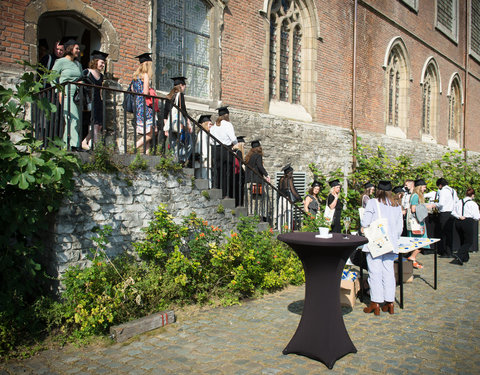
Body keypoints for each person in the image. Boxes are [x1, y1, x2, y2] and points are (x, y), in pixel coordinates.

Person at [361, 181, 403, 315]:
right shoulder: (396, 204)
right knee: (389, 272)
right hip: (391, 242)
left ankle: (376, 302)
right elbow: (399, 227)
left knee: (375, 272)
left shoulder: (373, 202)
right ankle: (390, 302)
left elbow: (365, 222)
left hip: (376, 242)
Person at [52, 39, 83, 151]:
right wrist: (59, 92)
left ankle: (66, 145)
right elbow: (52, 78)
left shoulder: (78, 64)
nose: (78, 51)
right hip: (66, 92)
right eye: (77, 48)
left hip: (78, 94)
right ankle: (75, 145)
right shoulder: (60, 62)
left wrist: (81, 83)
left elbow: (80, 78)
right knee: (72, 118)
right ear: (70, 49)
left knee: (77, 120)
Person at [407, 178, 437, 269]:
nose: (425, 189)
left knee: (418, 242)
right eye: (424, 187)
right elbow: (413, 209)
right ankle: (412, 257)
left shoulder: (415, 195)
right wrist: (427, 206)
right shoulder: (415, 196)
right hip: (417, 222)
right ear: (420, 187)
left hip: (417, 222)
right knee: (422, 242)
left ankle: (413, 259)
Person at [81, 50, 108, 150]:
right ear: (95, 61)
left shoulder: (101, 76)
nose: (103, 65)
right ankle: (97, 148)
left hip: (97, 101)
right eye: (101, 62)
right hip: (89, 100)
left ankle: (85, 141)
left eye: (104, 63)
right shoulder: (87, 72)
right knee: (94, 124)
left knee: (99, 125)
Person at [209, 106, 237, 198]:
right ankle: (225, 193)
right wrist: (235, 144)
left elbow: (210, 140)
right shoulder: (227, 124)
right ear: (226, 115)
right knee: (226, 172)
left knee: (218, 171)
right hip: (226, 149)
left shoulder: (214, 126)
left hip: (216, 149)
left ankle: (217, 189)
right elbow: (233, 138)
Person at [163, 76, 192, 162]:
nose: (184, 88)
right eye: (184, 86)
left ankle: (171, 160)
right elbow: (183, 110)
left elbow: (165, 113)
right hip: (178, 124)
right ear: (181, 85)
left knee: (172, 144)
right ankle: (179, 161)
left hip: (170, 124)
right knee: (184, 143)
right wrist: (188, 122)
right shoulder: (180, 95)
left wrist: (166, 128)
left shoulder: (169, 96)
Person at [132, 53, 156, 153]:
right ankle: (134, 146)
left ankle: (146, 155)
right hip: (146, 106)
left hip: (138, 105)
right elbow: (145, 92)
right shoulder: (145, 76)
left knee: (146, 132)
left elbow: (133, 90)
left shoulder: (135, 77)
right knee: (152, 132)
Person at [452, 188, 480, 265]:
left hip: (458, 221)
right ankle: (459, 254)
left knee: (462, 239)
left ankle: (464, 257)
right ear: (473, 195)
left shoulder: (458, 202)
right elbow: (476, 216)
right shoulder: (473, 204)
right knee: (469, 241)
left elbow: (453, 212)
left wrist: (459, 216)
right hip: (467, 221)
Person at [245, 140, 269, 214]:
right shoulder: (258, 156)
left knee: (250, 201)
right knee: (257, 201)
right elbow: (260, 166)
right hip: (256, 181)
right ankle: (256, 217)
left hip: (248, 181)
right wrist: (266, 175)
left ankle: (249, 215)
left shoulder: (249, 157)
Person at [436, 178, 458, 258]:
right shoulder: (452, 190)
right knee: (449, 233)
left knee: (444, 233)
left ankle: (445, 252)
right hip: (451, 213)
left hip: (444, 213)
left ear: (440, 185)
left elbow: (441, 203)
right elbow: (456, 201)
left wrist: (434, 205)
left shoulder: (442, 191)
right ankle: (450, 251)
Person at [278, 164, 301, 229]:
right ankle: (287, 231)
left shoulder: (281, 179)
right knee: (288, 216)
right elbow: (292, 190)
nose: (292, 174)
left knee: (281, 215)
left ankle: (280, 230)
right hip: (287, 200)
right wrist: (299, 198)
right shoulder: (289, 179)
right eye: (291, 172)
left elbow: (279, 190)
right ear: (289, 172)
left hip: (281, 199)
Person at [194, 114, 213, 181]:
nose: (211, 126)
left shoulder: (207, 134)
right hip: (203, 163)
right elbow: (203, 148)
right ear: (205, 124)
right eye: (209, 124)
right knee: (205, 181)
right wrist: (203, 158)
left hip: (205, 163)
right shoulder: (202, 134)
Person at [233, 136, 246, 207]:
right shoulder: (239, 152)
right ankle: (239, 204)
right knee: (239, 190)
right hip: (239, 174)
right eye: (243, 145)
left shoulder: (233, 151)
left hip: (234, 173)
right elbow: (240, 164)